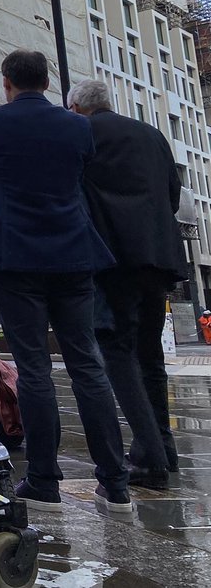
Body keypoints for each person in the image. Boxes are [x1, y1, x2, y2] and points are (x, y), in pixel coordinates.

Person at [0, 50, 131, 514]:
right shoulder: (78, 127)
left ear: (6, 83)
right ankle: (115, 485)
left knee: (34, 368)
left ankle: (43, 481)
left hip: (16, 256)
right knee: (87, 365)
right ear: (46, 80)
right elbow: (75, 176)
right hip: (73, 254)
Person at [69, 78, 186, 486]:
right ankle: (166, 451)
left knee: (117, 353)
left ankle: (150, 459)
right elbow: (173, 193)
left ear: (77, 108)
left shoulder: (81, 135)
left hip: (113, 258)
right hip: (157, 256)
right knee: (149, 355)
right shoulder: (151, 134)